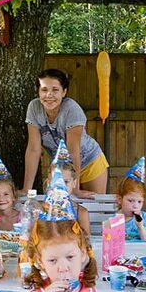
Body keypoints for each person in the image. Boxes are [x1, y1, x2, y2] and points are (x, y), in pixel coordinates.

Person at [3, 166, 136, 292]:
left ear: (83, 255)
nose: (63, 267)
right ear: (39, 262)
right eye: (52, 260)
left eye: (70, 257)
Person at [22, 68, 108, 196]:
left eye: (55, 90)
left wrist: (75, 188)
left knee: (93, 207)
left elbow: (74, 150)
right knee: (59, 208)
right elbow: (33, 149)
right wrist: (26, 189)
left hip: (90, 161)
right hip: (61, 168)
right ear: (38, 92)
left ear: (64, 92)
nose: (49, 95)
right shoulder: (34, 108)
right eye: (44, 90)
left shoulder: (72, 109)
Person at [46, 140, 90, 235]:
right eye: (55, 182)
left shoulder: (81, 213)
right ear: (48, 183)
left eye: (65, 182)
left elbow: (87, 242)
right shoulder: (42, 210)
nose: (61, 187)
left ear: (74, 183)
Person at [117, 157, 146, 242]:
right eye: (130, 201)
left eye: (139, 202)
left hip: (142, 253)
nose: (135, 205)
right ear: (120, 199)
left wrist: (140, 227)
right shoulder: (116, 220)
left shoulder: (144, 217)